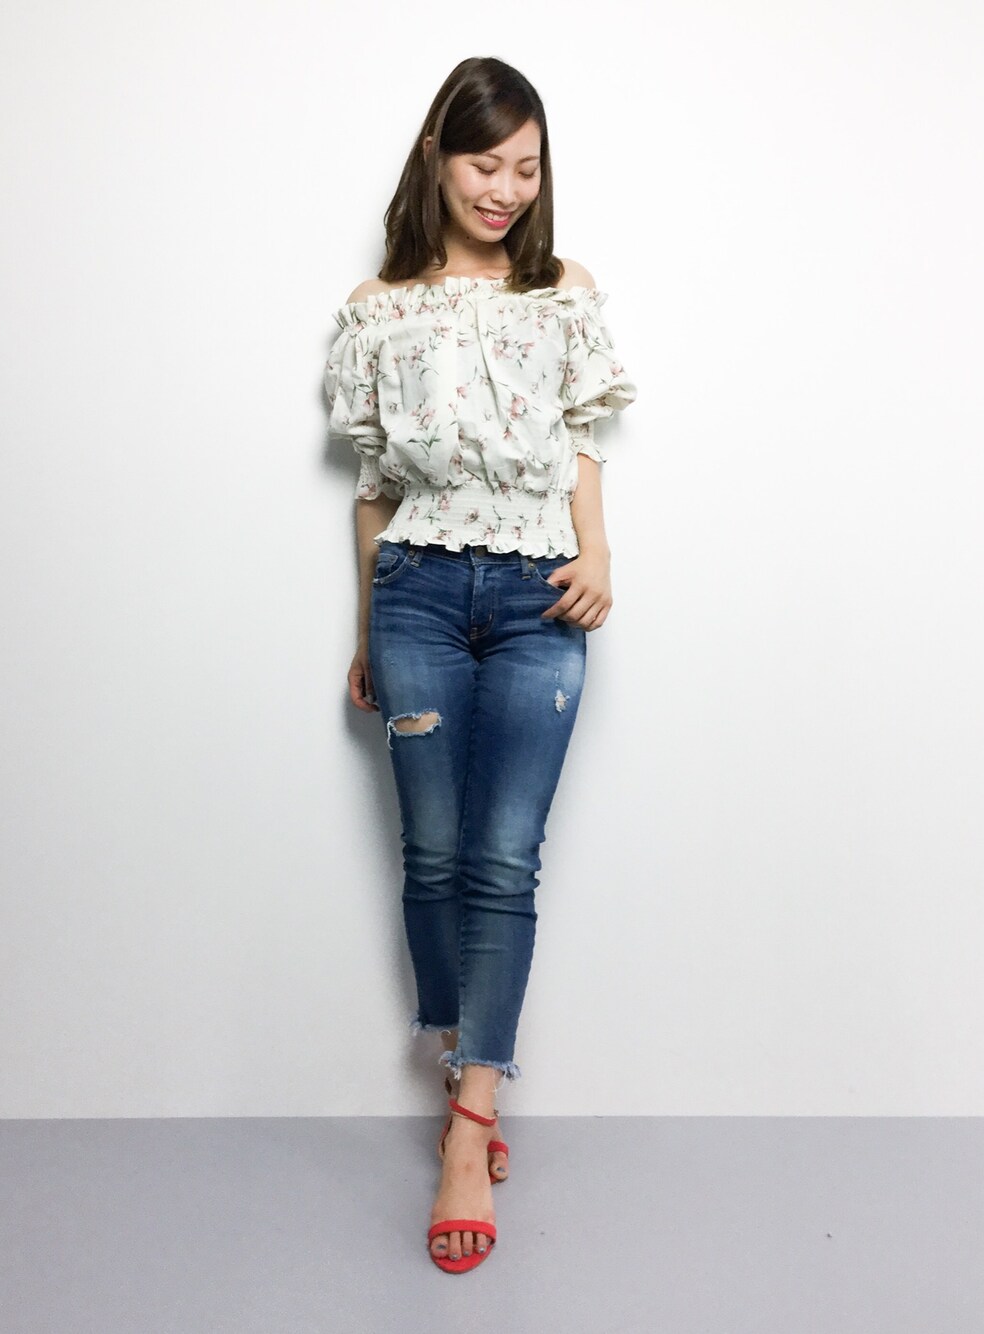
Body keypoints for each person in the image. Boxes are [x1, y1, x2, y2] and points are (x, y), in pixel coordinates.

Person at [323, 56, 637, 1274]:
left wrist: (596, 551)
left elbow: (583, 443)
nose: (505, 189)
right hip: (413, 594)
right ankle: (465, 1057)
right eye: (484, 164)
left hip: (536, 594)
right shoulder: (378, 307)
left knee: (503, 856)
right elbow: (373, 487)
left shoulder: (562, 293)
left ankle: (470, 1119)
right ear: (435, 158)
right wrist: (367, 627)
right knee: (433, 853)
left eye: (526, 168)